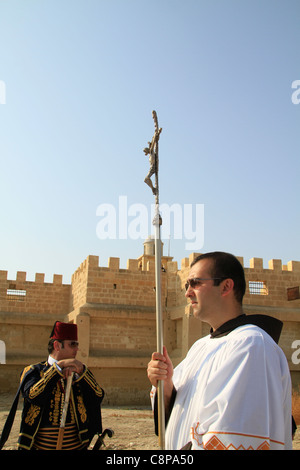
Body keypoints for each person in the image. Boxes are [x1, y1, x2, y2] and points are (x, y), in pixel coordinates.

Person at [147, 252, 293, 450]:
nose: (188, 292)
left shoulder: (250, 345)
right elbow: (177, 416)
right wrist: (166, 387)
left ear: (226, 287)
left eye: (195, 283)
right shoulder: (200, 346)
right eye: (186, 285)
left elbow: (229, 436)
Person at [1, 321, 104, 450]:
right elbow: (34, 396)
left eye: (77, 344)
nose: (77, 349)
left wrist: (82, 372)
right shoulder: (33, 372)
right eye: (72, 344)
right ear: (57, 345)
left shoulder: (80, 371)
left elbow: (98, 396)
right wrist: (58, 368)